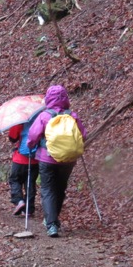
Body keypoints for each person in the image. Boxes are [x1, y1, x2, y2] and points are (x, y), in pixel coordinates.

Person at [27, 85, 86, 237]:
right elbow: (83, 135)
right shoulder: (72, 115)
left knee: (47, 189)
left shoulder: (44, 116)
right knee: (60, 189)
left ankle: (51, 224)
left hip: (47, 158)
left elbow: (33, 136)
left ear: (48, 98)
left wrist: (31, 146)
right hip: (68, 159)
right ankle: (53, 219)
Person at [7, 120, 39, 216]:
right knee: (30, 183)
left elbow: (12, 138)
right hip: (35, 158)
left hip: (20, 159)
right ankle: (28, 210)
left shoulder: (21, 120)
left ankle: (19, 201)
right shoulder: (41, 118)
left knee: (15, 180)